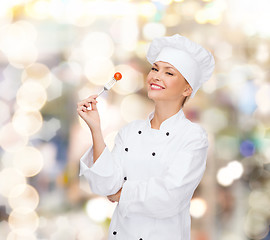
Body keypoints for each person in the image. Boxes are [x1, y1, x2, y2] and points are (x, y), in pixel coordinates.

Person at [77, 34, 215, 240]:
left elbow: (170, 196)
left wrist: (121, 194)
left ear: (187, 89)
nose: (156, 76)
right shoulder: (129, 132)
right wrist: (96, 129)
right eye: (154, 68)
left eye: (169, 72)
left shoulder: (193, 137)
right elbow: (104, 185)